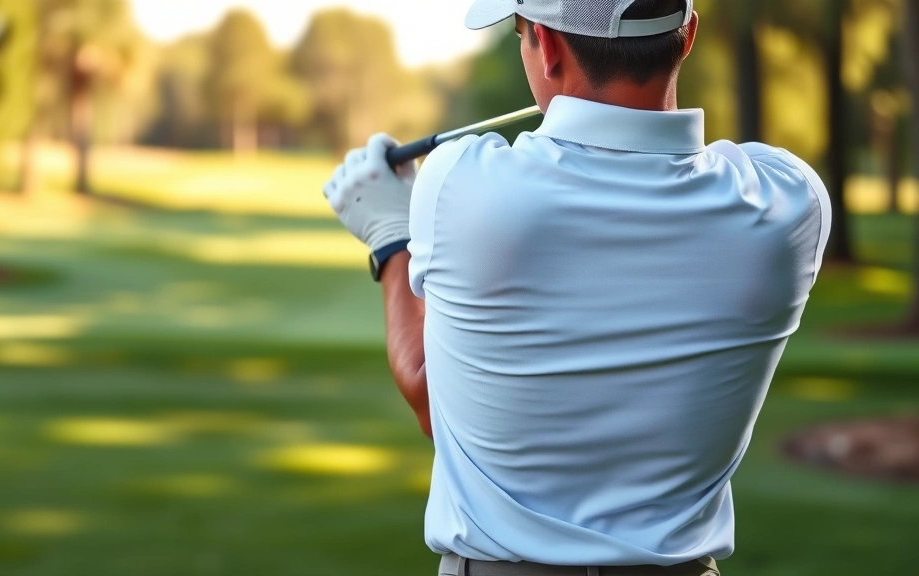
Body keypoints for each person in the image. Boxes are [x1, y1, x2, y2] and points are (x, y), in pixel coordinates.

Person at [323, 0, 831, 574]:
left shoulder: (460, 181)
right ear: (686, 35)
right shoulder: (790, 201)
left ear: (547, 42)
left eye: (519, 33)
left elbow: (429, 402)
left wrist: (390, 238)